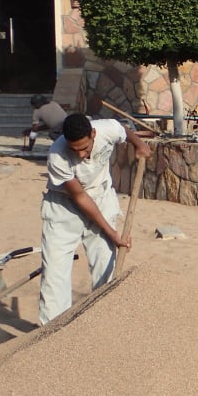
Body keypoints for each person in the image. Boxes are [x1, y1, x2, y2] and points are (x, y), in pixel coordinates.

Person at [38, 113, 151, 325]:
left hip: (101, 196)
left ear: (93, 134)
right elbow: (80, 196)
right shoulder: (57, 156)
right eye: (75, 149)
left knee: (105, 265)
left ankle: (104, 325)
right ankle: (52, 333)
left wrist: (139, 144)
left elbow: (123, 131)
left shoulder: (107, 128)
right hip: (64, 207)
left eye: (85, 148)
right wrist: (112, 233)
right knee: (54, 273)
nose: (81, 154)